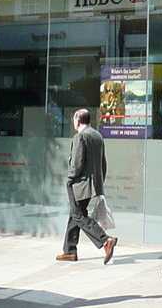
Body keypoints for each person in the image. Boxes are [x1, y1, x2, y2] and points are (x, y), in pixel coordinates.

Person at [56, 109, 117, 264]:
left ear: (78, 120)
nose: (73, 123)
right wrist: (99, 183)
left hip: (79, 184)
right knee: (75, 214)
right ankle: (69, 250)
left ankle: (105, 240)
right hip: (92, 184)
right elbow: (103, 163)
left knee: (78, 215)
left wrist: (70, 178)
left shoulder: (80, 137)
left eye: (74, 120)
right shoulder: (97, 135)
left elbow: (77, 164)